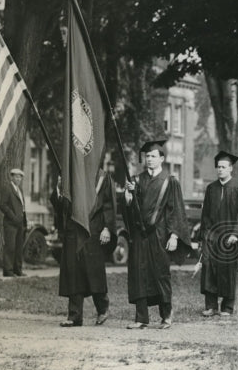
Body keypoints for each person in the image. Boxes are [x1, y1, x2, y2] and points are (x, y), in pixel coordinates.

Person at [122, 139, 187, 329]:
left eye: (153, 156)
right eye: (147, 156)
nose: (149, 159)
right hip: (140, 235)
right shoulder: (136, 180)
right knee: (139, 274)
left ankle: (166, 315)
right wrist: (128, 196)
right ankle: (141, 318)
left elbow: (176, 210)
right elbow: (130, 210)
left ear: (162, 158)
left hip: (160, 235)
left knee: (160, 274)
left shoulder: (170, 181)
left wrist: (174, 235)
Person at [51, 167, 116, 327]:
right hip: (73, 229)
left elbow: (109, 205)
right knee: (73, 272)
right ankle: (75, 316)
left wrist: (107, 227)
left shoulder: (101, 177)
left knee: (93, 272)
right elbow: (60, 207)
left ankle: (102, 308)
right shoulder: (70, 173)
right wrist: (59, 188)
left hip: (93, 230)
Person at [198, 150, 238, 318]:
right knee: (209, 268)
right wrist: (205, 234)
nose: (220, 170)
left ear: (231, 169)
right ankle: (211, 305)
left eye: (223, 167)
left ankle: (227, 307)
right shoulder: (211, 188)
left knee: (228, 270)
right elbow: (206, 214)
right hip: (213, 236)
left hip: (231, 237)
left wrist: (236, 234)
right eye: (218, 167)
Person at [1, 167, 27, 277]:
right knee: (10, 247)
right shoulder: (7, 188)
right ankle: (8, 271)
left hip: (20, 223)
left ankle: (18, 270)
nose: (18, 179)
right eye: (16, 176)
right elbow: (3, 205)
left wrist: (24, 220)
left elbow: (22, 207)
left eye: (20, 177)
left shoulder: (19, 190)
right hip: (10, 223)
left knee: (19, 248)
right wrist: (13, 217)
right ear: (11, 177)